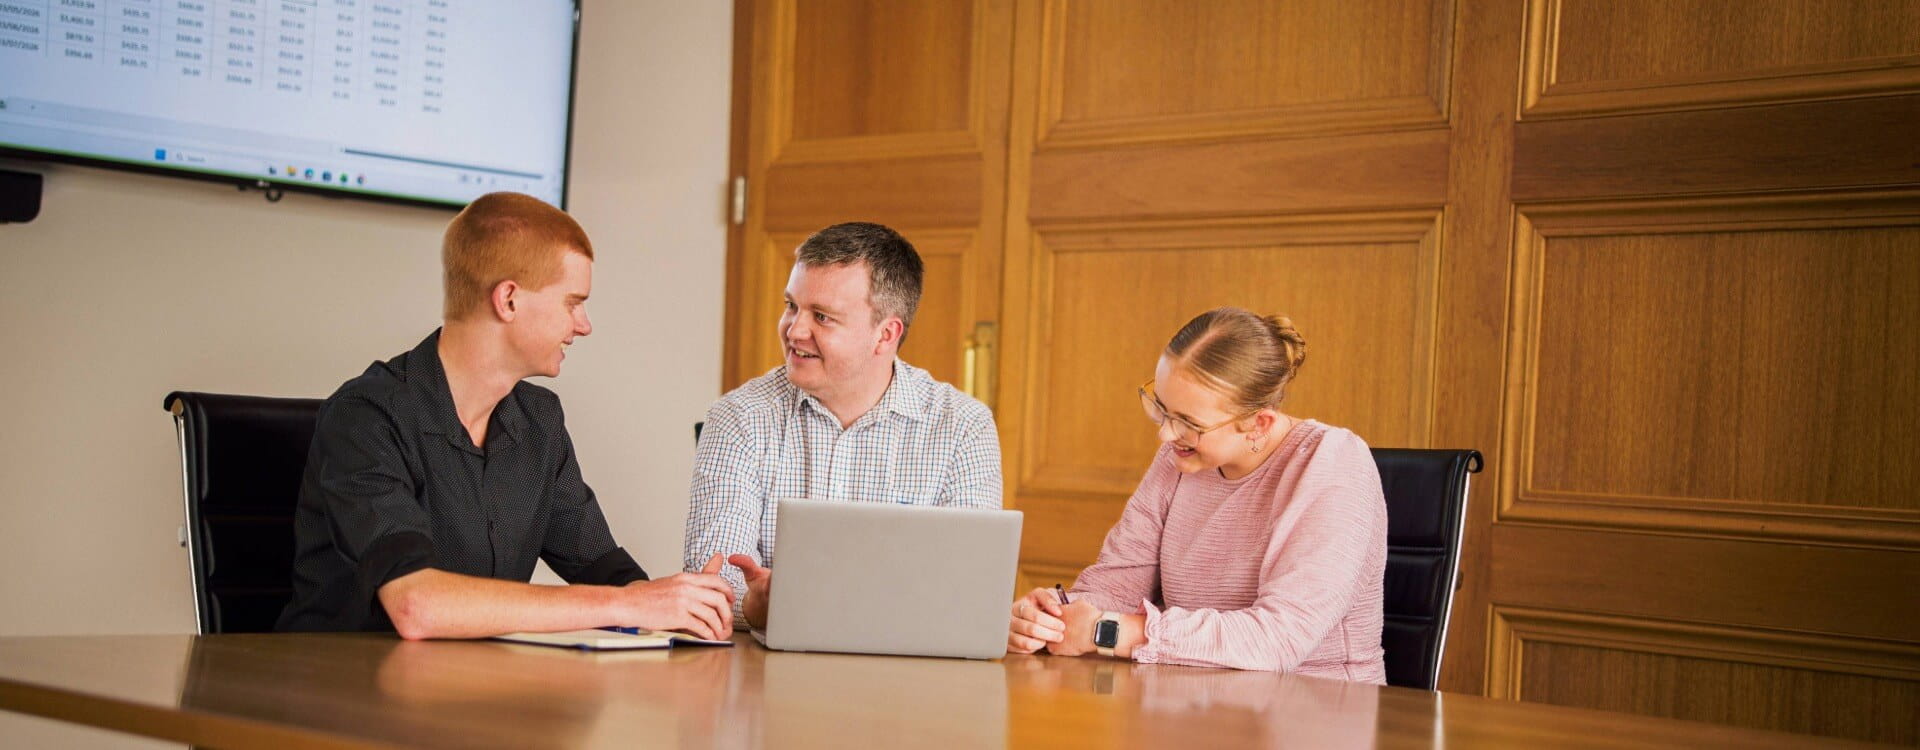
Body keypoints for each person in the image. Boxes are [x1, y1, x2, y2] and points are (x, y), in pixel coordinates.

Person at [277, 192, 734, 639]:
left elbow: (600, 567)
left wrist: (678, 602)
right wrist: (627, 604)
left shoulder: (539, 420)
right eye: (573, 302)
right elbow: (417, 604)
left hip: (467, 693)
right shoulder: (366, 416)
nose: (584, 324)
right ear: (509, 300)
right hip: (342, 695)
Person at [1005, 307, 1388, 682]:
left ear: (1258, 424)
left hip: (1316, 715)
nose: (1166, 434)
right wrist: (1053, 617)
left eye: (1189, 423)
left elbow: (1279, 639)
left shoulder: (1333, 464)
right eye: (1162, 409)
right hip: (1192, 702)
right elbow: (1117, 584)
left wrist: (1108, 631)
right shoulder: (1179, 460)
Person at [683, 222, 1002, 630]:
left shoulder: (963, 428)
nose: (795, 330)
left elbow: (968, 595)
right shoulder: (738, 416)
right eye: (791, 306)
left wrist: (800, 603)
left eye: (822, 316)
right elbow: (710, 583)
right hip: (763, 675)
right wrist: (756, 605)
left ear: (885, 335)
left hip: (910, 680)